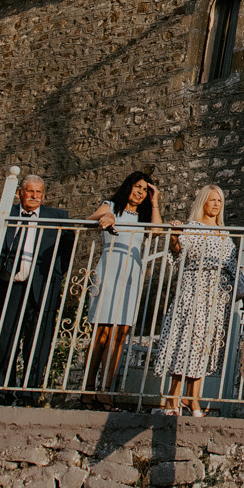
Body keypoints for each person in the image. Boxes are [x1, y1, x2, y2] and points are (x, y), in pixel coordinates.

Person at [151, 185, 239, 416]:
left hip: (216, 295)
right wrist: (174, 238)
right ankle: (172, 398)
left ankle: (193, 398)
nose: (216, 205)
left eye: (219, 201)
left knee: (203, 345)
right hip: (194, 289)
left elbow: (233, 265)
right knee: (185, 341)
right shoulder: (192, 227)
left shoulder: (224, 232)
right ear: (203, 202)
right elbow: (180, 252)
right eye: (212, 200)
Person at [0, 174, 74, 401]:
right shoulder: (6, 211)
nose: (35, 196)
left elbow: (67, 249)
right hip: (11, 285)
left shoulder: (58, 217)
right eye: (30, 191)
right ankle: (2, 390)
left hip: (41, 287)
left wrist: (54, 275)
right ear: (20, 193)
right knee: (7, 337)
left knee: (38, 338)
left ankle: (30, 390)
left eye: (39, 192)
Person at [84, 171, 159, 404]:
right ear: (128, 186)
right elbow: (89, 219)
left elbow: (157, 232)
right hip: (109, 269)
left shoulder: (145, 215)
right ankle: (87, 388)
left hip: (131, 273)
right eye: (137, 186)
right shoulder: (111, 206)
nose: (140, 192)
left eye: (145, 189)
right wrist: (107, 218)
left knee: (120, 332)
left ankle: (105, 388)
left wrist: (155, 203)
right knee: (101, 332)